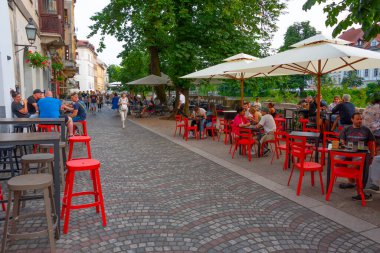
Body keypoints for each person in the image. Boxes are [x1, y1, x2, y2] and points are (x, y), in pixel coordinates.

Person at [338, 112, 376, 201]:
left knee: (352, 165)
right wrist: (343, 144)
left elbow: (372, 143)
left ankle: (360, 189)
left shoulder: (366, 130)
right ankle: (352, 182)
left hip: (361, 154)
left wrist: (372, 155)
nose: (360, 121)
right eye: (357, 119)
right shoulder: (346, 129)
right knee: (338, 161)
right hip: (348, 152)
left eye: (361, 119)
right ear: (352, 120)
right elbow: (342, 141)